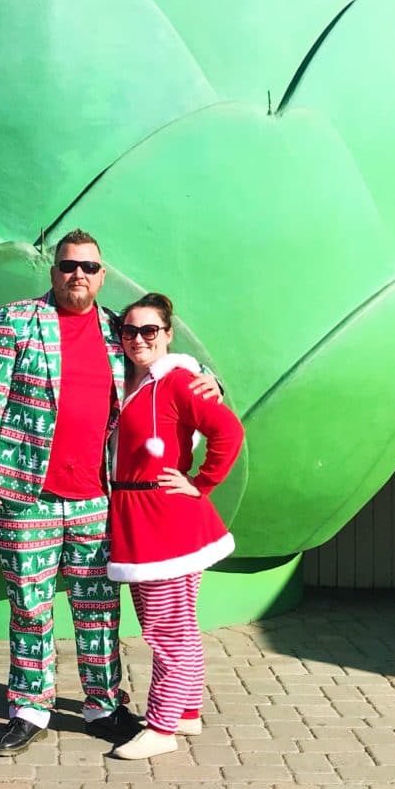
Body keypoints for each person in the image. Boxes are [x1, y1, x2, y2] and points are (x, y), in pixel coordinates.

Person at [0, 231, 219, 756]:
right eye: (68, 266)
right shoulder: (15, 320)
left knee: (98, 606)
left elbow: (162, 364)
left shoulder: (116, 330)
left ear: (102, 275)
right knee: (30, 606)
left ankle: (103, 704)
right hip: (25, 492)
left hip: (98, 499)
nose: (77, 274)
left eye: (89, 267)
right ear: (53, 271)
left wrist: (206, 377)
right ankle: (29, 708)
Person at [107, 292, 244, 761]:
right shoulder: (136, 382)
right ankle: (185, 713)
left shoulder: (178, 381)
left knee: (167, 631)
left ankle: (161, 726)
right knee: (179, 626)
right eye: (130, 331)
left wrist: (202, 482)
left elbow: (228, 431)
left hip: (164, 520)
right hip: (146, 516)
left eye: (149, 330)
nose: (139, 339)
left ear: (167, 335)